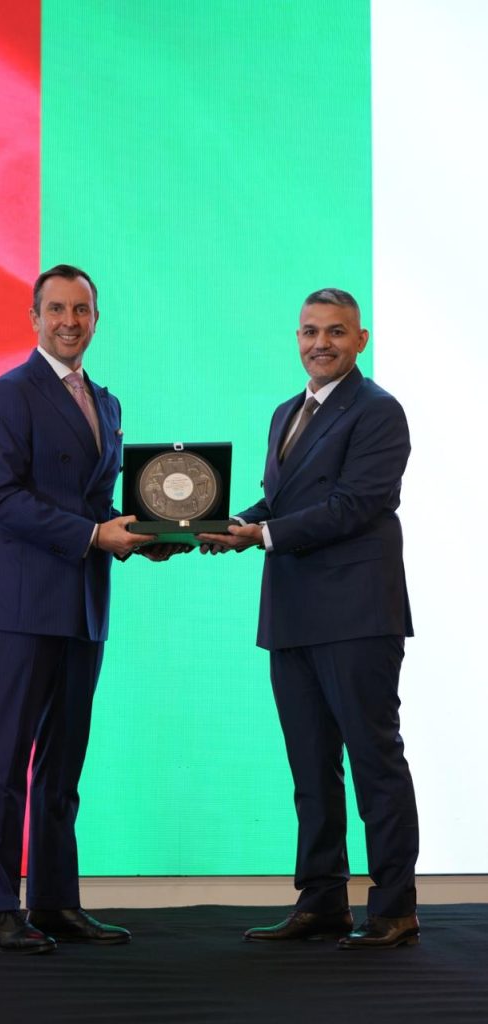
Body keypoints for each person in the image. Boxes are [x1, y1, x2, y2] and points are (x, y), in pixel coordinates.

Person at [199, 288, 419, 949]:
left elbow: (356, 504)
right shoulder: (285, 413)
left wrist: (261, 536)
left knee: (374, 761)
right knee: (311, 767)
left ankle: (395, 909)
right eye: (309, 331)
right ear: (297, 338)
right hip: (293, 612)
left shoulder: (378, 411)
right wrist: (228, 523)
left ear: (361, 339)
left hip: (356, 614)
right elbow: (282, 500)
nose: (320, 343)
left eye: (335, 331)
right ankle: (322, 901)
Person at [0, 264, 165, 954]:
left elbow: (97, 504)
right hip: (22, 603)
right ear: (34, 317)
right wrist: (94, 536)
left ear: (96, 319)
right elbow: (3, 501)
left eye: (81, 310)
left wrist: (148, 535)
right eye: (56, 309)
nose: (69, 321)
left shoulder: (106, 402)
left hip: (84, 602)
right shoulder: (8, 394)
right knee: (3, 759)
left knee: (63, 763)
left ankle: (53, 902)